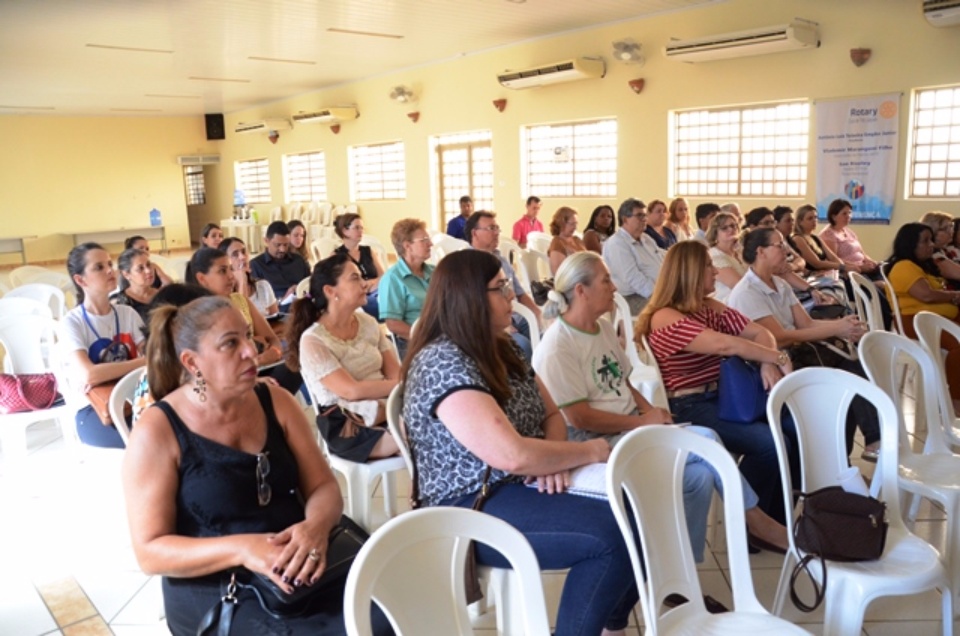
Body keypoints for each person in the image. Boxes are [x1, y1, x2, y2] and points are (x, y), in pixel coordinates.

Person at [401, 249, 638, 636]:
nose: (512, 294)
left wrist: (555, 461)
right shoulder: (441, 362)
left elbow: (550, 415)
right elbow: (510, 455)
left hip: (520, 481)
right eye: (500, 288)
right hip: (469, 503)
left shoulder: (505, 346)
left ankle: (612, 623)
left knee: (638, 506)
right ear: (469, 298)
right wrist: (588, 451)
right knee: (609, 538)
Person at [122, 296, 390, 635]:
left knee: (386, 613)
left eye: (248, 336)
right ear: (192, 363)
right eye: (230, 344)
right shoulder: (158, 431)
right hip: (219, 588)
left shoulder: (275, 401)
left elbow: (323, 487)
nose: (251, 351)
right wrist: (244, 549)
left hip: (297, 562)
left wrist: (315, 528)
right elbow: (150, 552)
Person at [533, 251, 788, 558]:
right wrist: (641, 423)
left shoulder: (600, 329)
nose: (614, 287)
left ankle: (683, 576)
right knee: (707, 440)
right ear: (580, 290)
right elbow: (580, 418)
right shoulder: (558, 345)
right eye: (606, 280)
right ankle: (758, 523)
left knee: (699, 478)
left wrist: (649, 412)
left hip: (628, 428)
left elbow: (624, 384)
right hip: (595, 441)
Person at [637, 241, 799, 523]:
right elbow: (725, 345)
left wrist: (767, 361)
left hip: (724, 399)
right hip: (689, 405)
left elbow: (760, 333)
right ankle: (752, 524)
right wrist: (778, 357)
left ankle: (781, 515)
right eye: (708, 266)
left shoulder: (708, 306)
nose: (716, 272)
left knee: (794, 425)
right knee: (770, 444)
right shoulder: (664, 317)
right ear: (689, 272)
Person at [726, 228, 879, 461]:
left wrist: (843, 327)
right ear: (761, 252)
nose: (786, 250)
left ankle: (844, 458)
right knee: (849, 374)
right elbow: (780, 337)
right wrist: (836, 328)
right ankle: (868, 444)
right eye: (779, 245)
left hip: (797, 353)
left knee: (852, 375)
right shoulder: (747, 292)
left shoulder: (780, 283)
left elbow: (805, 323)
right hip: (774, 363)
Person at [287, 254, 401, 461]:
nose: (364, 284)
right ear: (331, 291)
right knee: (419, 435)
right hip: (347, 423)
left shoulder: (368, 323)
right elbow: (351, 391)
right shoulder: (313, 340)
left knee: (434, 425)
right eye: (355, 278)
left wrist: (400, 385)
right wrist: (401, 385)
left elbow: (395, 374)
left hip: (384, 408)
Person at [59, 243, 146, 448]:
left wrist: (105, 371)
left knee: (178, 431)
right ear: (80, 280)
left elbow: (154, 359)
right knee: (152, 440)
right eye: (99, 267)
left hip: (135, 400)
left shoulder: (127, 314)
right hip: (95, 412)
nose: (110, 270)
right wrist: (141, 362)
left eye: (109, 264)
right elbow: (89, 375)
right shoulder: (72, 322)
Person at [885, 222, 960, 407]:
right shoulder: (904, 266)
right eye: (925, 241)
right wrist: (953, 296)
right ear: (911, 244)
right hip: (916, 322)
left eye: (931, 240)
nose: (931, 245)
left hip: (936, 319)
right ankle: (956, 402)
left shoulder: (921, 265)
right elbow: (925, 295)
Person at [185, 247, 287, 374]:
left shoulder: (240, 300)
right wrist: (256, 352)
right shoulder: (197, 314)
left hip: (261, 367)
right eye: (222, 271)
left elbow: (272, 339)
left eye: (230, 269)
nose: (231, 276)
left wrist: (272, 353)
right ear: (202, 279)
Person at [466, 211, 538, 359]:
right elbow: (474, 305)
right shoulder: (467, 264)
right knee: (523, 347)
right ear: (475, 233)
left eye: (497, 228)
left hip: (518, 317)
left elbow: (520, 294)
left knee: (546, 340)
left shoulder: (502, 260)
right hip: (492, 325)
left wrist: (537, 314)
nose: (497, 232)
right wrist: (503, 325)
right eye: (491, 228)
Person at [379, 218, 434, 360]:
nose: (431, 244)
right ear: (407, 246)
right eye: (424, 240)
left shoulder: (435, 272)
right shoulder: (393, 279)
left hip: (441, 336)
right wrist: (425, 338)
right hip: (413, 342)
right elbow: (393, 324)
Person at [602, 198, 664, 316]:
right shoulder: (617, 243)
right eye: (640, 216)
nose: (644, 219)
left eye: (645, 215)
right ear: (625, 219)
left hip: (656, 292)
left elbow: (662, 258)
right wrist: (659, 296)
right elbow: (632, 278)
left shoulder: (646, 239)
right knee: (671, 312)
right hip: (632, 298)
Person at [332, 213, 384, 320]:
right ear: (344, 231)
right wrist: (362, 285)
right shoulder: (336, 256)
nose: (361, 231)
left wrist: (371, 283)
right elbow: (337, 284)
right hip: (355, 295)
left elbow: (383, 276)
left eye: (361, 228)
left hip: (375, 290)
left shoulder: (368, 251)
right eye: (356, 228)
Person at [250, 220, 312, 308]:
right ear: (266, 241)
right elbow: (257, 304)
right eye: (278, 245)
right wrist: (283, 299)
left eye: (286, 245)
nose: (282, 249)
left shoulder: (298, 260)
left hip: (302, 310)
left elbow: (310, 286)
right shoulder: (256, 265)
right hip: (276, 313)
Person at [819, 199, 881, 279]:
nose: (848, 216)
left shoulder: (848, 231)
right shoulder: (828, 234)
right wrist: (860, 267)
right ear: (834, 217)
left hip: (862, 268)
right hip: (850, 273)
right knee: (881, 285)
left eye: (849, 213)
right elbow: (833, 260)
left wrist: (871, 262)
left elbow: (862, 253)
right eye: (844, 213)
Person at [220, 237, 278, 317]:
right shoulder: (224, 296)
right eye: (235, 254)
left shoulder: (263, 286)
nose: (242, 257)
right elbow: (242, 320)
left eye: (244, 252)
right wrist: (242, 282)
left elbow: (276, 319)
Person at [705, 212, 745, 303]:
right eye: (724, 228)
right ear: (715, 233)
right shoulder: (714, 256)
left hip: (745, 299)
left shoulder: (740, 252)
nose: (730, 229)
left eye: (733, 226)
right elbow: (740, 286)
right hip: (727, 305)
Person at [113, 247, 159, 322]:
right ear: (126, 274)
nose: (148, 271)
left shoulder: (163, 296)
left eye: (148, 265)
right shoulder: (119, 303)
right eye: (140, 268)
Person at [919, 210, 960, 283]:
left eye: (951, 227)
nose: (951, 231)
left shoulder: (946, 250)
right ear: (933, 231)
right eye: (946, 228)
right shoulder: (932, 254)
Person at [546, 206, 586, 275]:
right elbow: (558, 273)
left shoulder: (577, 240)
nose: (575, 227)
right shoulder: (557, 243)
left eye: (576, 223)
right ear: (561, 223)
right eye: (572, 224)